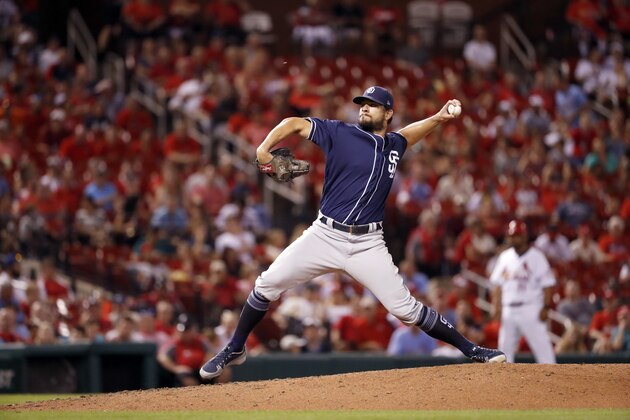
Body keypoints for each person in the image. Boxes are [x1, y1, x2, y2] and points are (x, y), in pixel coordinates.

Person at [199, 86, 505, 380]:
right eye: (362, 104)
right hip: (324, 235)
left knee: (405, 309)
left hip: (368, 243)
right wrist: (264, 148)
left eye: (372, 105)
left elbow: (409, 135)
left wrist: (439, 118)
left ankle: (471, 349)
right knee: (267, 284)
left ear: (388, 113)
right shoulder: (340, 132)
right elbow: (293, 123)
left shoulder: (393, 144)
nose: (365, 108)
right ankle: (235, 346)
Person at [490, 220, 556, 364]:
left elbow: (547, 285)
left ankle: (554, 381)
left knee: (543, 349)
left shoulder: (537, 257)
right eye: (511, 236)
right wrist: (496, 305)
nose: (513, 239)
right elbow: (497, 285)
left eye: (517, 236)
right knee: (504, 351)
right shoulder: (505, 257)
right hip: (508, 309)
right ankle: (505, 384)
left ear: (525, 236)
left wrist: (545, 307)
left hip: (530, 308)